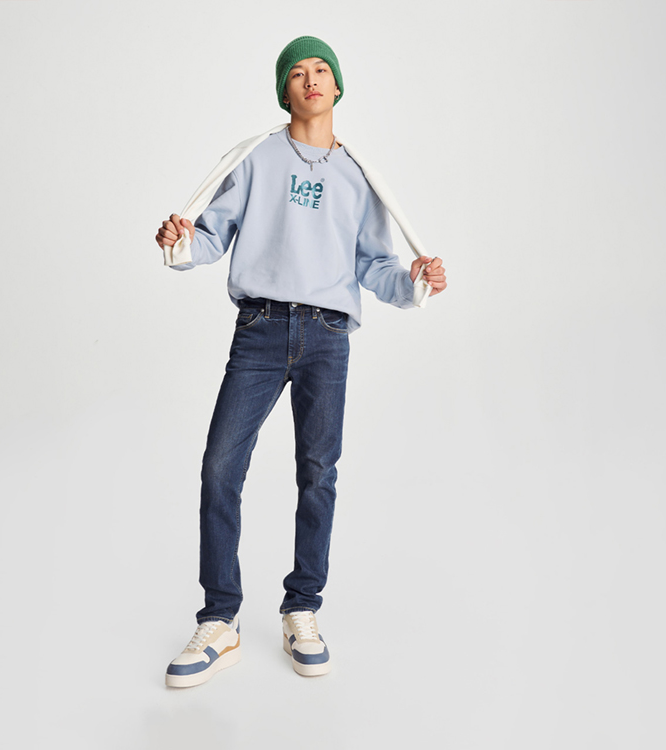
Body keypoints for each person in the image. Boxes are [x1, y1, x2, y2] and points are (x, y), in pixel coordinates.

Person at [156, 35, 447, 688]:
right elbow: (210, 236)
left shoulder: (358, 176)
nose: (310, 78)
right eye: (296, 71)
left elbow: (375, 264)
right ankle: (220, 619)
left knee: (318, 472)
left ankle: (302, 608)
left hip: (328, 335)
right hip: (259, 330)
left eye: (321, 69)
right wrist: (180, 244)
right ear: (284, 90)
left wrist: (415, 281)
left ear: (337, 86)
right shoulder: (256, 158)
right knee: (220, 467)